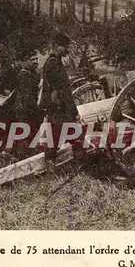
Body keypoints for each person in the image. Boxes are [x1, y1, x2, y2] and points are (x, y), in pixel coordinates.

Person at [40, 32, 83, 169]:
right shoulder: (53, 63)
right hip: (60, 107)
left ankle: (54, 162)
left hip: (58, 107)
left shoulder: (53, 62)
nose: (67, 50)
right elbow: (59, 87)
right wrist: (71, 109)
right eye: (65, 47)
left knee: (61, 134)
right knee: (69, 134)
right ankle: (78, 163)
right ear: (56, 46)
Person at [11, 51, 44, 159]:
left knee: (30, 135)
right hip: (24, 109)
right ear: (26, 61)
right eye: (32, 59)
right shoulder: (24, 74)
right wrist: (37, 109)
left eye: (36, 59)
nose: (35, 62)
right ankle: (20, 158)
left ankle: (25, 156)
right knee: (24, 135)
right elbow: (27, 96)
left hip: (30, 109)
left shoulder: (33, 74)